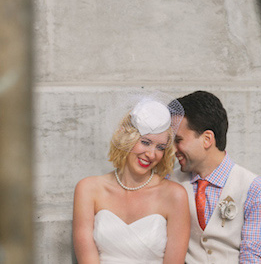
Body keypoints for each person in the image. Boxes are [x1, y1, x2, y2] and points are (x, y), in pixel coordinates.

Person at [73, 93, 191, 263]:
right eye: (145, 142)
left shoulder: (174, 195)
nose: (151, 154)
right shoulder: (88, 189)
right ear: (125, 137)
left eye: (160, 147)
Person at [171, 91, 261, 263]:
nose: (173, 149)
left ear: (207, 139)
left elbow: (256, 257)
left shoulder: (256, 189)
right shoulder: (169, 182)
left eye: (178, 140)